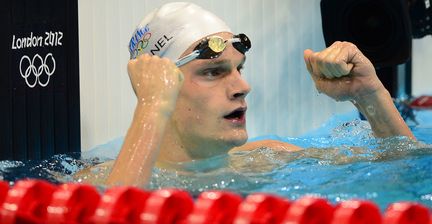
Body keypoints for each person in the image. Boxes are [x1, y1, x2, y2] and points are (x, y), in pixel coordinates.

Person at [81, 2, 415, 187]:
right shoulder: (94, 182)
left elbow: (404, 173)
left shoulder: (267, 159)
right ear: (160, 85)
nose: (242, 87)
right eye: (213, 72)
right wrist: (151, 108)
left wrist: (370, 96)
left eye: (239, 68)